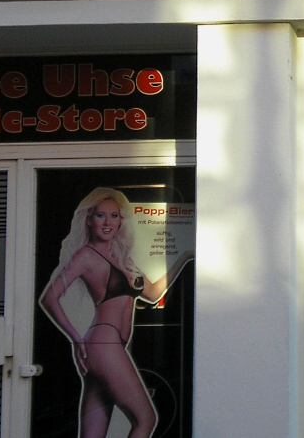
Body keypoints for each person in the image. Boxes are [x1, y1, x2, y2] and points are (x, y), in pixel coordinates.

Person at [39, 187, 194, 438]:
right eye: (101, 215)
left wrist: (184, 257)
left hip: (109, 346)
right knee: (146, 419)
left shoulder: (121, 257)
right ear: (89, 220)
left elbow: (152, 293)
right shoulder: (86, 256)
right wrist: (75, 338)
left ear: (121, 221)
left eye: (114, 216)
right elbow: (49, 298)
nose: (108, 222)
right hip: (104, 344)